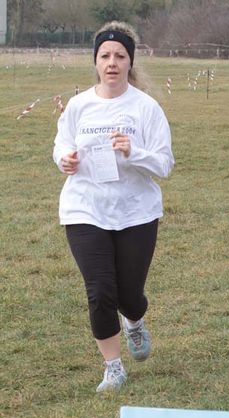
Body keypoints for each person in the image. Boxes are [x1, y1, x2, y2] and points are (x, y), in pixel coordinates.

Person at [53, 21, 174, 392]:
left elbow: (165, 164)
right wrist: (64, 161)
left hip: (136, 212)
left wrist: (133, 151)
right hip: (85, 208)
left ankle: (134, 321)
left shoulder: (145, 108)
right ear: (95, 61)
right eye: (104, 55)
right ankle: (113, 367)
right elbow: (60, 145)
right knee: (100, 291)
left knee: (128, 295)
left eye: (119, 55)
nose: (111, 62)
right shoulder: (78, 106)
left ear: (130, 62)